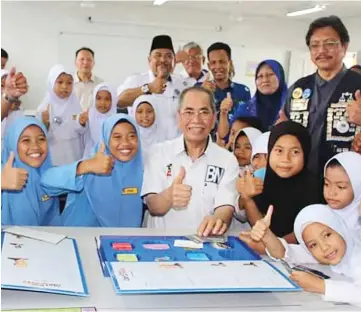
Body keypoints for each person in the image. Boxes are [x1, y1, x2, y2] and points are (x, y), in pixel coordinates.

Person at [141, 86, 239, 236]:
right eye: (189, 112)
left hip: (205, 245)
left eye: (204, 112)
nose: (196, 119)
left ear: (214, 120)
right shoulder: (158, 152)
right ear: (178, 118)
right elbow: (152, 204)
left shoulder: (227, 160)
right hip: (160, 245)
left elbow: (226, 206)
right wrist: (169, 196)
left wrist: (216, 221)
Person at [282, 16, 361, 176]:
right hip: (300, 178)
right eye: (315, 45)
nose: (321, 51)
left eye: (330, 44)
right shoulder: (298, 88)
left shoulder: (358, 85)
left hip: (347, 179)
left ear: (344, 46)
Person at [41, 114, 143, 227]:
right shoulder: (92, 165)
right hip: (85, 240)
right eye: (117, 137)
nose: (125, 143)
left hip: (126, 242)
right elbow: (46, 181)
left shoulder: (143, 169)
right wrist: (85, 167)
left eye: (132, 136)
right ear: (105, 139)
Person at [247, 205, 361, 307]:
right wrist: (267, 236)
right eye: (313, 245)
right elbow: (284, 253)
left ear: (339, 228)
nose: (324, 247)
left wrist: (320, 285)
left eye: (327, 235)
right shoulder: (326, 254)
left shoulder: (357, 256)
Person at [238, 121, 322, 247]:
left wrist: (275, 246)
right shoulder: (263, 179)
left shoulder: (315, 188)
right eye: (279, 151)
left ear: (305, 153)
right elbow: (260, 226)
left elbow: (307, 231)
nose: (285, 159)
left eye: (295, 152)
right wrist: (246, 197)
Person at [117, 35, 191, 141]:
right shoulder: (136, 80)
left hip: (174, 150)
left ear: (174, 60)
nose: (163, 59)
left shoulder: (183, 84)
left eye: (168, 56)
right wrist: (149, 88)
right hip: (144, 149)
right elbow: (119, 101)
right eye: (158, 55)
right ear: (149, 60)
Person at [1, 117, 60, 226]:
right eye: (26, 140)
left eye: (41, 139)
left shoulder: (47, 172)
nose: (35, 146)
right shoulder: (4, 172)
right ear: (12, 145)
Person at [37, 64, 86, 166]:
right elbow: (38, 137)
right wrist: (45, 125)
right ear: (51, 83)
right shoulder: (43, 109)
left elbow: (82, 131)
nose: (65, 86)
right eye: (60, 82)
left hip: (73, 154)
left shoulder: (75, 106)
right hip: (52, 155)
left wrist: (82, 123)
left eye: (69, 83)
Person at [200, 42, 251, 137]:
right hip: (206, 147)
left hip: (234, 147)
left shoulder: (243, 91)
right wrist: (203, 94)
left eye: (222, 61)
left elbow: (247, 123)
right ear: (208, 66)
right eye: (213, 63)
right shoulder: (199, 89)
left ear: (230, 63)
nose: (218, 66)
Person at [226, 60, 288, 134]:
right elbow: (228, 135)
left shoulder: (290, 108)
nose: (264, 80)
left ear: (280, 77)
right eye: (260, 76)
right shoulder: (245, 109)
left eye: (270, 74)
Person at [323, 151, 361, 232]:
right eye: (327, 184)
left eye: (341, 187)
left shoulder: (358, 221)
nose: (331, 193)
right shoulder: (320, 215)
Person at [82, 83, 117, 158]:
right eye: (99, 98)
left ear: (113, 101)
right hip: (90, 155)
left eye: (107, 99)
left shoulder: (117, 119)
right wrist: (81, 123)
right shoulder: (88, 115)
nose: (102, 102)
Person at [131, 95, 160, 161]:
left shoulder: (165, 135)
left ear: (156, 112)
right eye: (140, 112)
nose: (145, 115)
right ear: (133, 113)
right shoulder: (130, 137)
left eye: (149, 111)